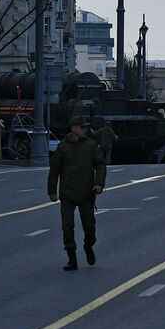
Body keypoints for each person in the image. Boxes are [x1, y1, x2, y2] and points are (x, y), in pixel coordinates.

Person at [47, 115, 106, 272]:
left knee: (89, 227)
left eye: (86, 127)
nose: (85, 129)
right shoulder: (63, 148)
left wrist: (99, 184)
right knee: (67, 226)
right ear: (74, 128)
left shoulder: (91, 145)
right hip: (67, 194)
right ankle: (71, 258)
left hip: (87, 194)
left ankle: (88, 245)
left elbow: (100, 165)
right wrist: (52, 191)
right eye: (82, 127)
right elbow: (54, 171)